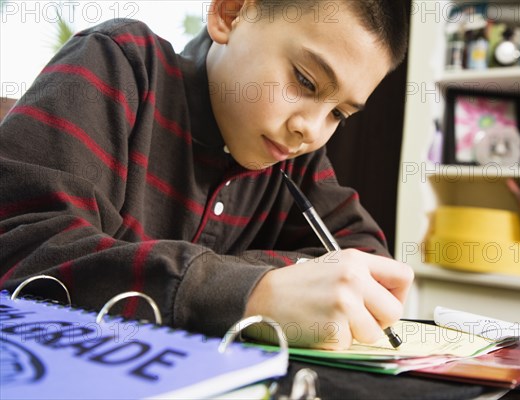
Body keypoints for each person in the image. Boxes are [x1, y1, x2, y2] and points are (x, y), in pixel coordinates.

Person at [0, 0, 413, 350]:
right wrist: (252, 292)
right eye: (305, 81)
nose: (312, 129)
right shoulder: (121, 64)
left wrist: (253, 284)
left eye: (339, 113)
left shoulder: (293, 158)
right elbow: (24, 248)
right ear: (230, 14)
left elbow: (367, 263)